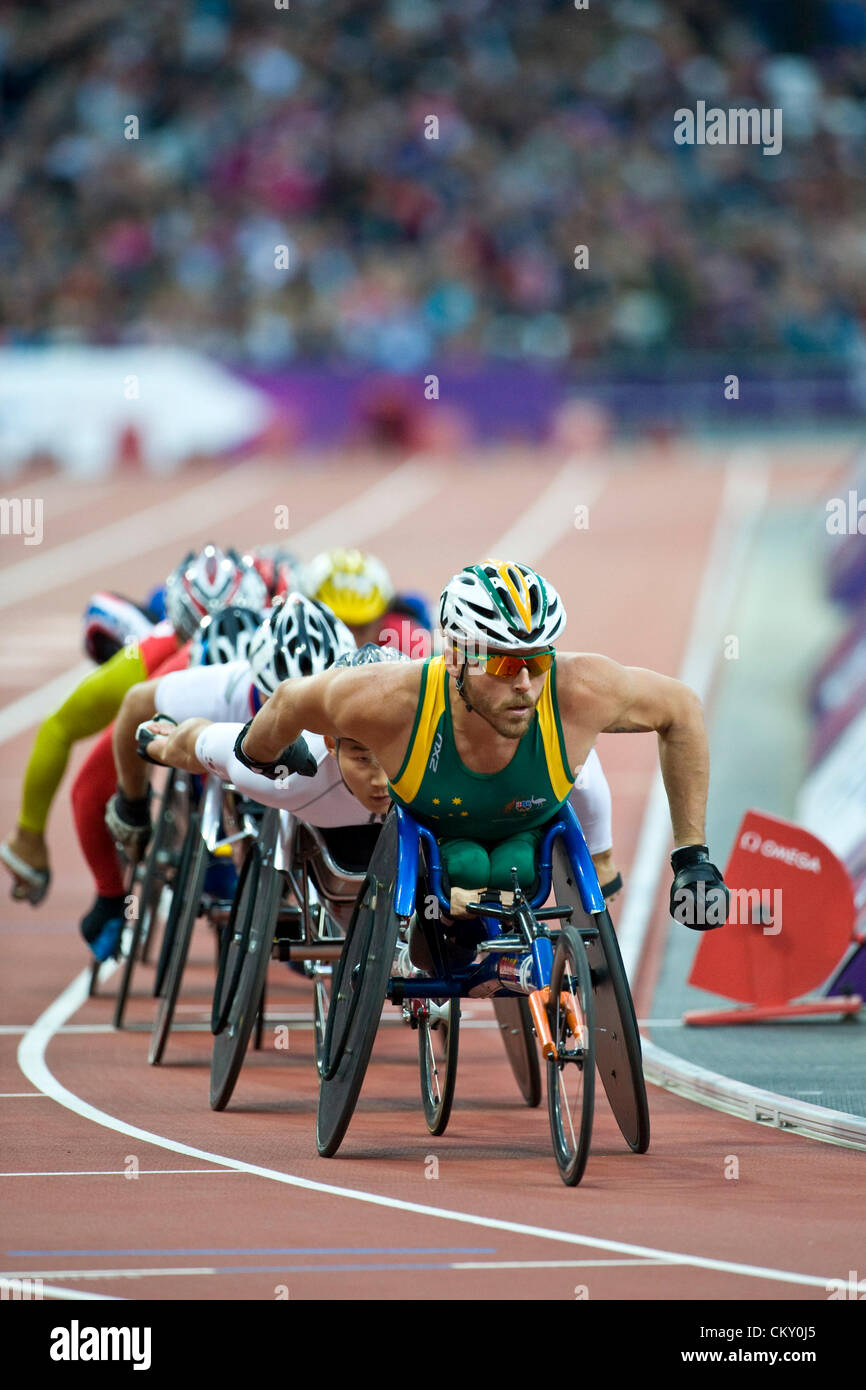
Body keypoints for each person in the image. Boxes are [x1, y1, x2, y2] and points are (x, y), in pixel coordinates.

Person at [234, 559, 729, 951]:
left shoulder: (581, 688)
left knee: (517, 860)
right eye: (505, 662)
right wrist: (261, 753)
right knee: (468, 865)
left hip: (528, 831)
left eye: (537, 662)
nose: (524, 684)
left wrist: (692, 858)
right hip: (438, 842)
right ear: (456, 657)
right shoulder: (391, 699)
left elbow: (680, 708)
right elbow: (290, 700)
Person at [0, 544, 266, 907]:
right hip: (154, 649)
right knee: (83, 732)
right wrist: (109, 893)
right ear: (184, 639)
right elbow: (79, 770)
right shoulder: (150, 662)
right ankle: (27, 842)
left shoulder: (275, 628)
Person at [304, 547, 431, 657]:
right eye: (337, 626)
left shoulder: (407, 641)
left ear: (381, 620)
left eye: (361, 629)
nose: (350, 641)